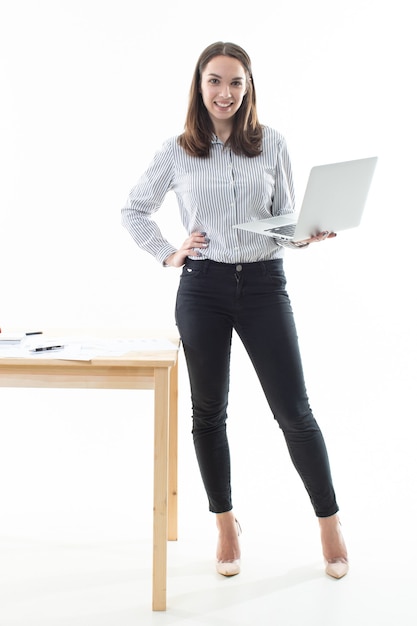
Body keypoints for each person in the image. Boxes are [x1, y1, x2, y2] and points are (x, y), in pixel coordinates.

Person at [121, 41, 348, 580]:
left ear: (249, 88)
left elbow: (284, 219)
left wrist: (306, 235)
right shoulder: (177, 150)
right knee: (209, 412)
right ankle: (224, 521)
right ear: (199, 87)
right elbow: (133, 210)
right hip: (203, 288)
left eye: (235, 83)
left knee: (294, 410)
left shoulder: (271, 144)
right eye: (215, 81)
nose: (225, 93)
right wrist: (168, 252)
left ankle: (329, 520)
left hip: (266, 285)